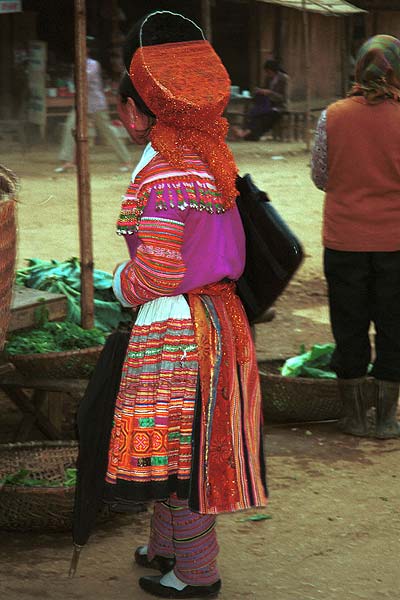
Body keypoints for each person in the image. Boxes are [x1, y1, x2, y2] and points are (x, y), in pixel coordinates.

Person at [104, 10, 268, 598]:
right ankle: (166, 547)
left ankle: (196, 574)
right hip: (218, 318)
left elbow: (159, 271)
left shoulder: (164, 171)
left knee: (181, 456)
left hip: (180, 325)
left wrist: (117, 282)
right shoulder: (210, 158)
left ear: (138, 110)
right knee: (179, 444)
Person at [311, 34, 400, 440]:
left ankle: (354, 418)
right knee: (394, 326)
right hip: (395, 242)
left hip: (344, 240)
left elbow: (320, 176)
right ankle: (385, 420)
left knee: (348, 326)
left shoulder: (332, 115)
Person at [54, 38, 131, 173]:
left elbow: (84, 78)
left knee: (107, 132)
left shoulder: (93, 64)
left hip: (95, 103)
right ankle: (68, 161)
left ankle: (126, 160)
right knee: (69, 127)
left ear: (87, 51)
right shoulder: (77, 64)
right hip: (81, 103)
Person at [233, 59, 289, 141]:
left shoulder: (284, 79)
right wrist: (260, 91)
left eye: (269, 72)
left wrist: (270, 93)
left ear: (274, 71)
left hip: (279, 107)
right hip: (267, 105)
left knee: (264, 117)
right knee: (255, 113)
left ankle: (244, 133)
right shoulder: (268, 79)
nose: (268, 74)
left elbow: (283, 98)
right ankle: (247, 134)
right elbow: (264, 88)